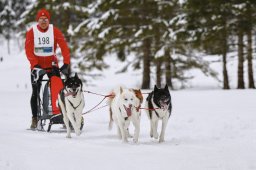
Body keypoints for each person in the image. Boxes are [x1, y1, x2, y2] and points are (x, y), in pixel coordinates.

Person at [25, 8, 70, 129]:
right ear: (38, 20)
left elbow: (64, 46)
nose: (43, 21)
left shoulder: (54, 31)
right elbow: (28, 50)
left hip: (51, 64)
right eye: (41, 19)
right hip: (37, 66)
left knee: (59, 89)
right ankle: (35, 118)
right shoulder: (31, 32)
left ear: (48, 20)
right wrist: (35, 64)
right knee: (35, 92)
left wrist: (66, 63)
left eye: (45, 19)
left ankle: (62, 115)